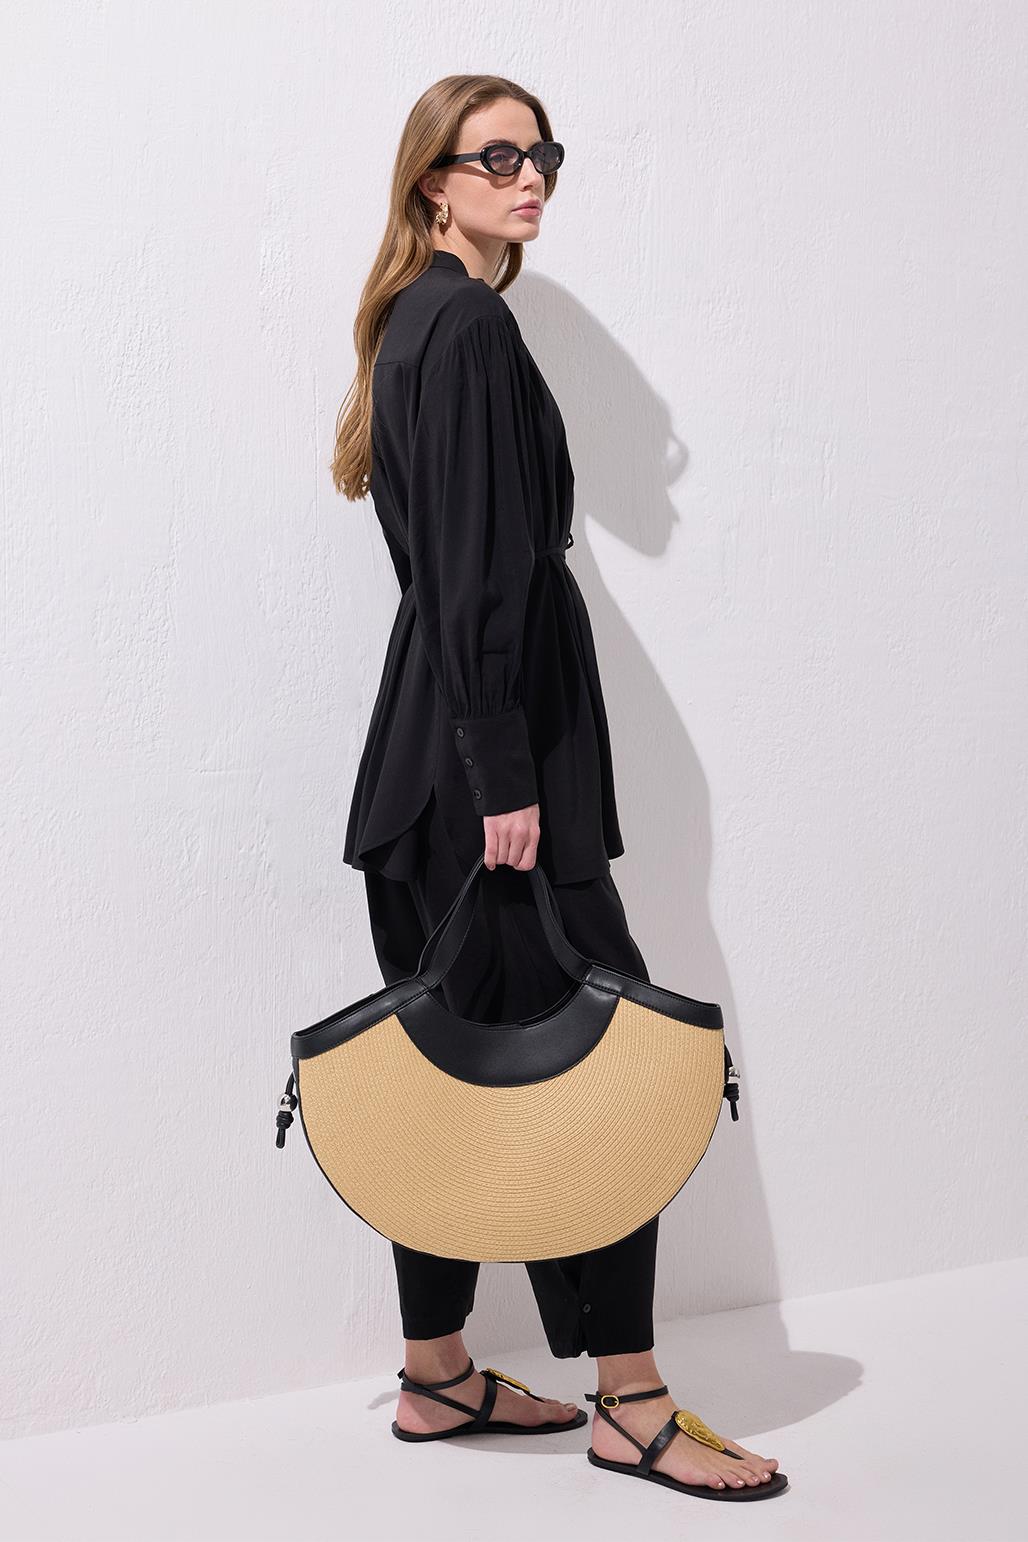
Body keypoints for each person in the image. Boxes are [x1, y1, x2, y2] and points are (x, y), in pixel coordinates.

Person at [330, 74, 783, 1501]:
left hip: (432, 765)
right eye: (498, 157)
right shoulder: (464, 326)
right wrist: (504, 774)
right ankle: (630, 1402)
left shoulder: (420, 322)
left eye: (544, 155)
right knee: (610, 1069)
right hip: (485, 771)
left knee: (447, 1070)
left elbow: (449, 564)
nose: (531, 177)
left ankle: (437, 1373)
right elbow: (475, 569)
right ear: (434, 182)